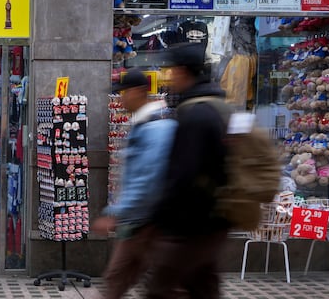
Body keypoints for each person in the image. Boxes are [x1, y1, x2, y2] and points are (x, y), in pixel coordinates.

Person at [145, 42, 230, 299]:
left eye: (170, 71)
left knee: (159, 289)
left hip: (192, 222)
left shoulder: (196, 115)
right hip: (215, 218)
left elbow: (184, 174)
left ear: (182, 71)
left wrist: (158, 218)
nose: (169, 79)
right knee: (203, 287)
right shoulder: (217, 106)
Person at [92, 67, 177, 299]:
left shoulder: (156, 127)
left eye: (123, 92)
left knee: (128, 280)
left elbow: (148, 179)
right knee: (120, 279)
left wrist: (117, 211)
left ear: (139, 92)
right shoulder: (145, 123)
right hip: (140, 221)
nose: (120, 99)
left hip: (148, 222)